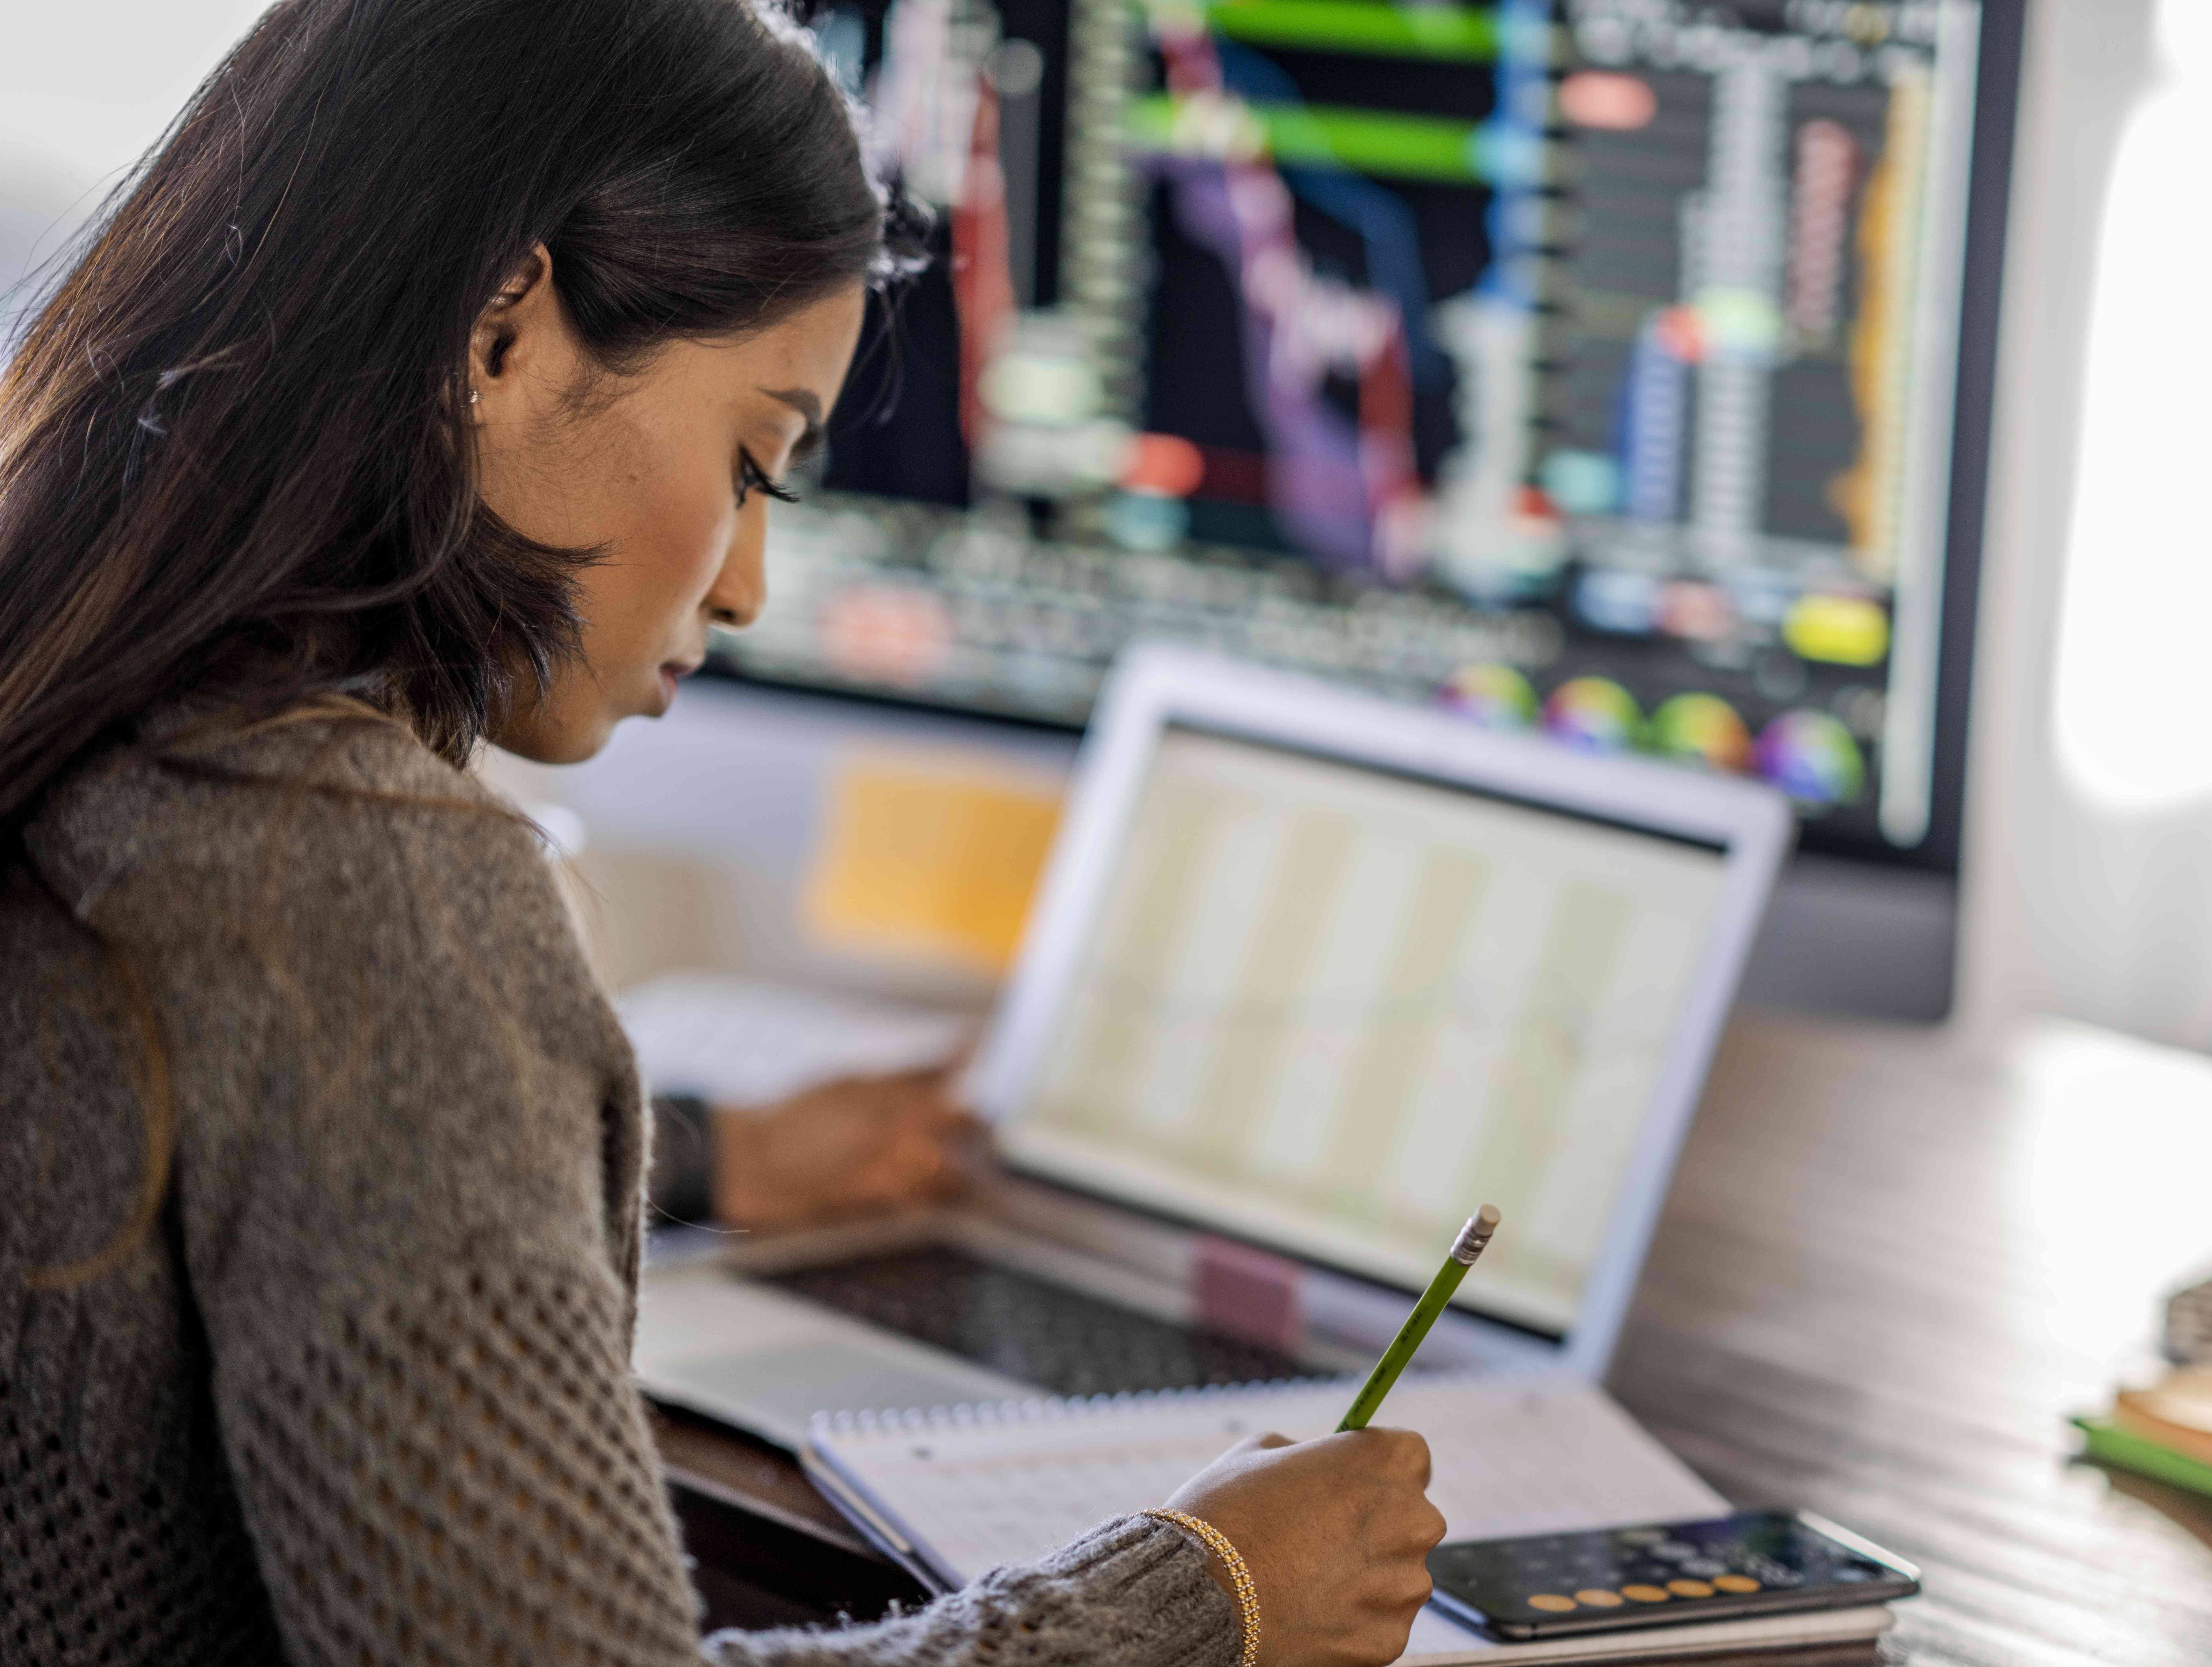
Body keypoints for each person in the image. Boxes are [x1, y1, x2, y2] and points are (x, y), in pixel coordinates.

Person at [0, 3, 1446, 1664]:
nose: (747, 584)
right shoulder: (362, 890)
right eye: (757, 459)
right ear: (503, 337)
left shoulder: (86, 718)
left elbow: (217, 1132)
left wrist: (698, 1155)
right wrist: (1208, 1592)